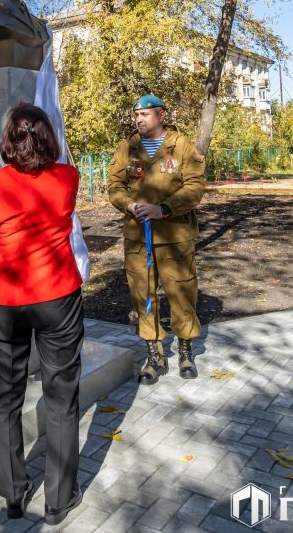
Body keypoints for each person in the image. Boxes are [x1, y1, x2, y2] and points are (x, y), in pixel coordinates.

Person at [0, 104, 85, 525]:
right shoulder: (68, 177)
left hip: (7, 299)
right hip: (58, 295)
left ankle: (13, 494)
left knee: (5, 397)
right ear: (47, 136)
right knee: (61, 396)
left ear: (8, 139)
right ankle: (59, 498)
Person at [107, 94, 206, 384]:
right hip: (139, 237)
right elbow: (115, 184)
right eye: (136, 115)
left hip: (174, 235)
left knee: (182, 292)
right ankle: (154, 354)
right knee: (143, 296)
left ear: (161, 116)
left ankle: (186, 349)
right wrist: (128, 204)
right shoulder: (128, 148)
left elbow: (195, 186)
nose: (139, 119)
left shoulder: (182, 145)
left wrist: (163, 209)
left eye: (146, 115)